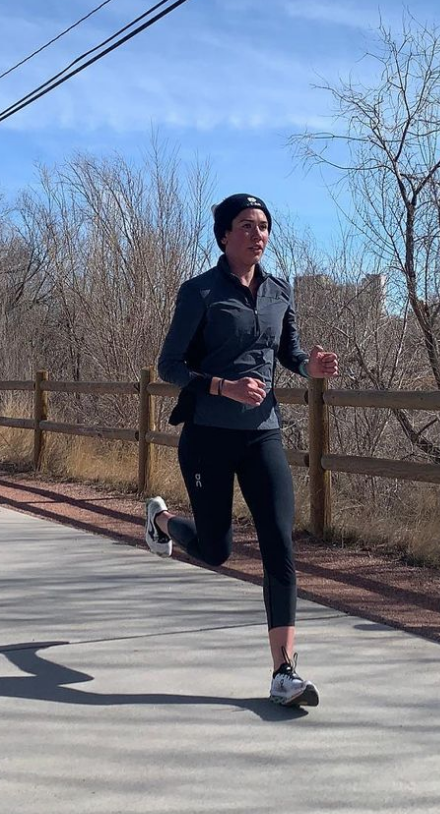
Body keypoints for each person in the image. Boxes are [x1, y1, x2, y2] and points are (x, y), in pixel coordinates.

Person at [145, 193, 338, 707]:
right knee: (217, 550)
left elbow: (289, 351)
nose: (258, 234)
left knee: (279, 544)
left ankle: (284, 672)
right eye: (247, 226)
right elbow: (170, 367)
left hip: (262, 433)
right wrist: (221, 387)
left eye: (264, 226)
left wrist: (309, 367)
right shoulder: (200, 293)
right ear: (224, 235)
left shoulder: (279, 291)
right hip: (208, 435)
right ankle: (161, 523)